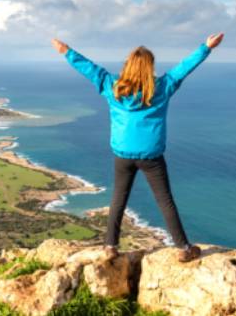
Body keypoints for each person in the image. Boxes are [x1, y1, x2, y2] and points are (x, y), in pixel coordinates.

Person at [51, 33, 224, 262]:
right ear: (149, 67)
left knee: (118, 198)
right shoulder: (162, 87)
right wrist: (206, 47)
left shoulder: (112, 86)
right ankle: (183, 247)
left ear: (128, 66)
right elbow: (184, 67)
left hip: (122, 154)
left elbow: (90, 69)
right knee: (165, 200)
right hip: (151, 156)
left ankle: (110, 246)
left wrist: (67, 51)